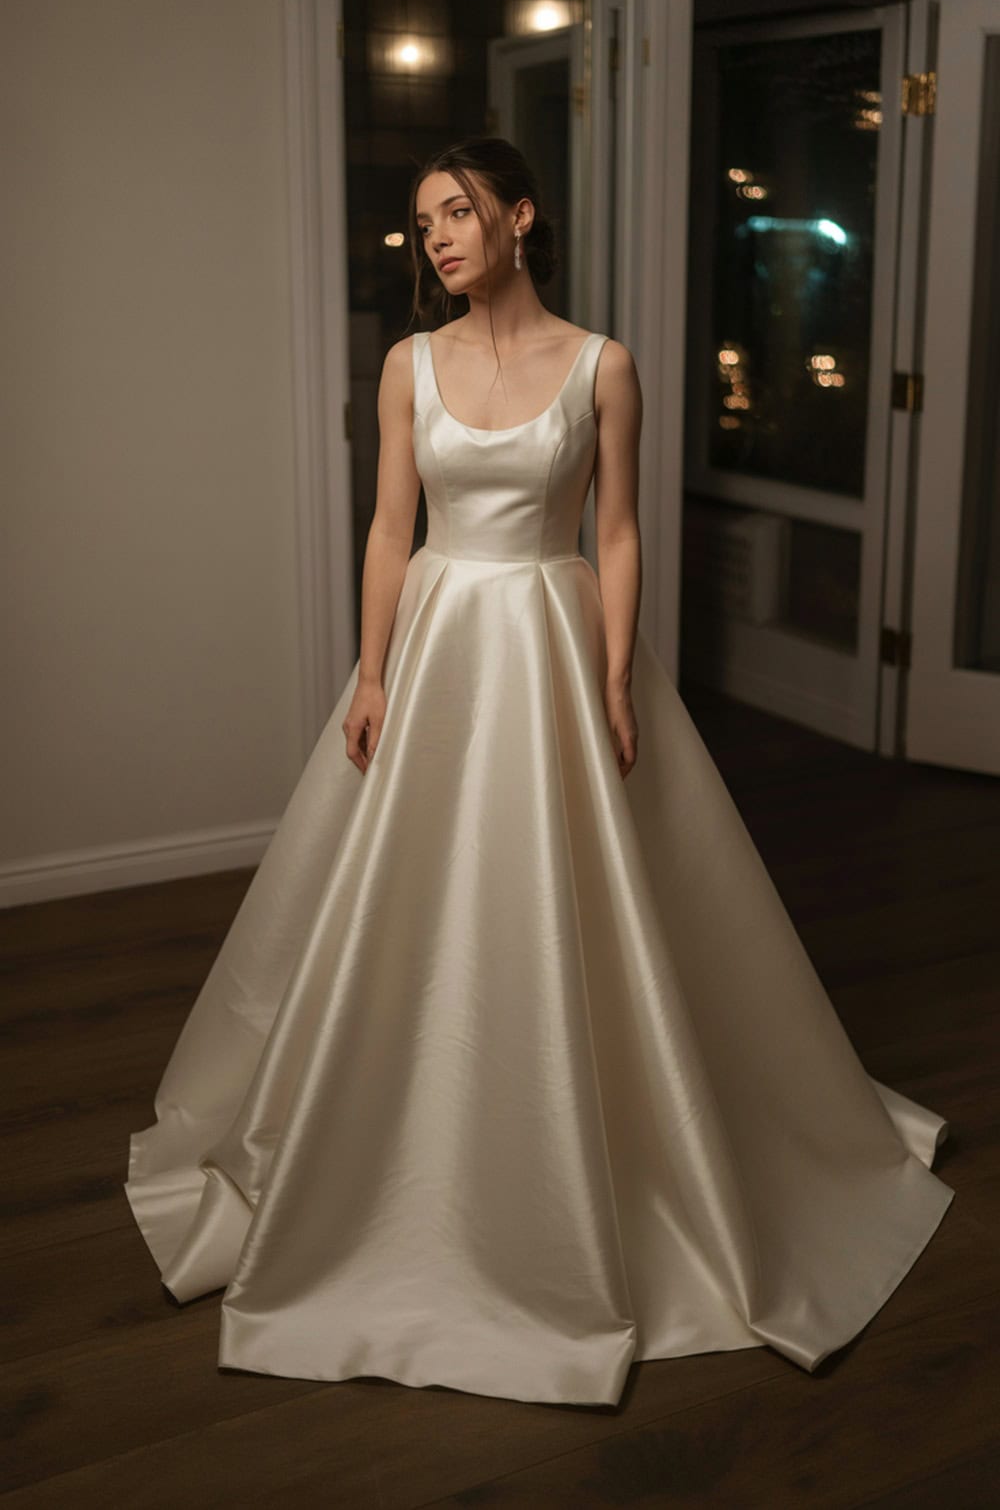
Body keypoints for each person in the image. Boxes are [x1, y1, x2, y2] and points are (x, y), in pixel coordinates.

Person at [125, 135, 954, 1409]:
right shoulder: (410, 366)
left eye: (458, 213)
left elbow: (616, 530)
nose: (437, 239)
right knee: (402, 904)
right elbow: (392, 526)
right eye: (421, 224)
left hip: (555, 645)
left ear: (521, 216)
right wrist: (368, 669)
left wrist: (616, 677)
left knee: (590, 900)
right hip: (445, 639)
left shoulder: (601, 363)